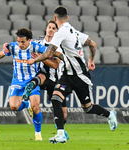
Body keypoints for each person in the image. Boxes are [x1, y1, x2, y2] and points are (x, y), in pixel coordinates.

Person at [28, 6, 117, 144]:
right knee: (56, 98)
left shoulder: (60, 33)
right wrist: (91, 61)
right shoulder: (74, 31)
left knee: (88, 108)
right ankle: (61, 134)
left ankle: (110, 115)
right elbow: (92, 44)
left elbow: (49, 53)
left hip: (80, 76)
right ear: (67, 18)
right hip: (66, 75)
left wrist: (35, 59)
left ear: (55, 18)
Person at [0, 28, 52, 141]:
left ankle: (38, 134)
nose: (20, 44)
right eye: (18, 41)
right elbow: (0, 54)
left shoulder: (36, 47)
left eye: (23, 42)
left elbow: (50, 53)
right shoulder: (13, 47)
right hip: (17, 81)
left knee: (36, 107)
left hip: (32, 81)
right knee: (14, 107)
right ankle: (27, 105)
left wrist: (41, 57)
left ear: (29, 40)